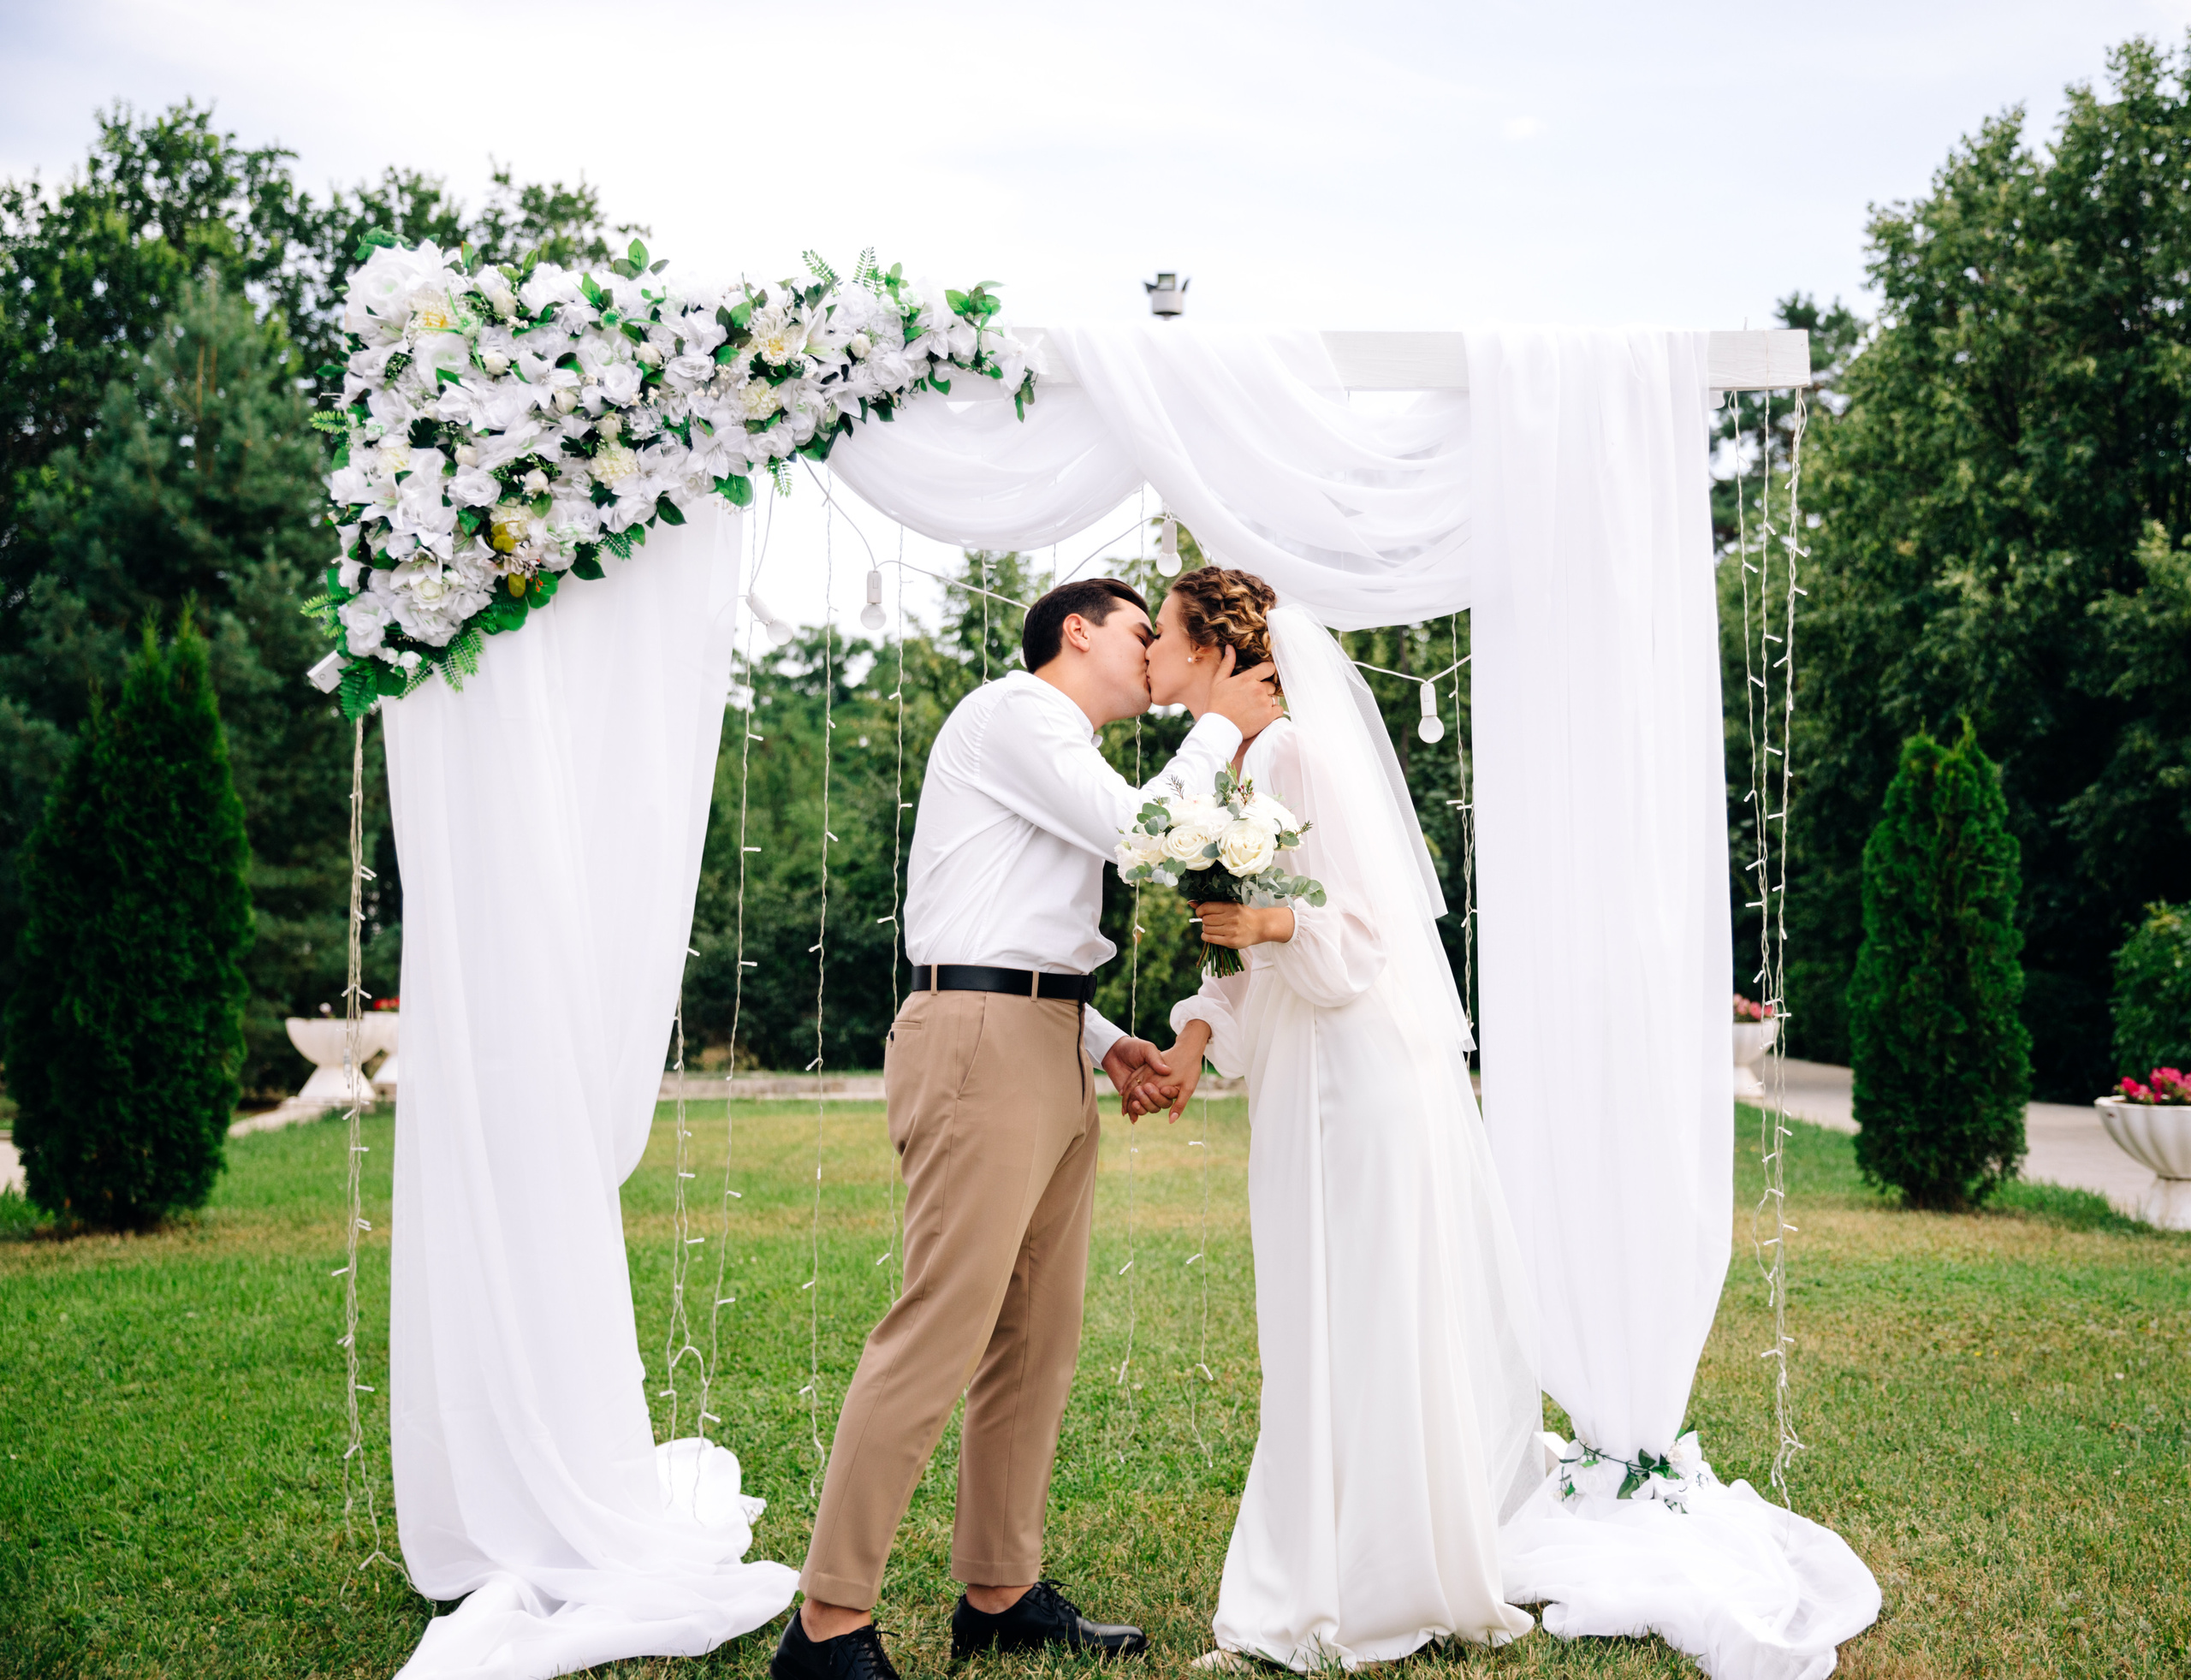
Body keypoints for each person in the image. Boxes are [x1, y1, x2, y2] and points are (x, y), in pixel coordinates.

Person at [771, 578, 1286, 1680]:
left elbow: (1025, 930)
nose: (1156, 654)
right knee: (939, 1329)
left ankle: (999, 1592)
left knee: (1036, 1337)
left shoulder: (1061, 747)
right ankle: (825, 1627)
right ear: (1078, 631)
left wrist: (1105, 1045)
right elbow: (1143, 838)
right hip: (976, 1042)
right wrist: (1214, 721)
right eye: (1143, 633)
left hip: (1044, 1036)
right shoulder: (1017, 712)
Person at [1140, 568, 1544, 1671]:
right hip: (1311, 1071)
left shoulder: (1289, 755)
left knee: (1344, 1317)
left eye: (1160, 636)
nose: (1146, 656)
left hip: (1354, 1076)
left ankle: (1315, 1599)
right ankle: (1374, 1567)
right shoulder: (1235, 763)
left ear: (1216, 648)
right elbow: (1242, 947)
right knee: (1331, 1317)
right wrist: (1195, 1036)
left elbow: (1355, 943)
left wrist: (1267, 922)